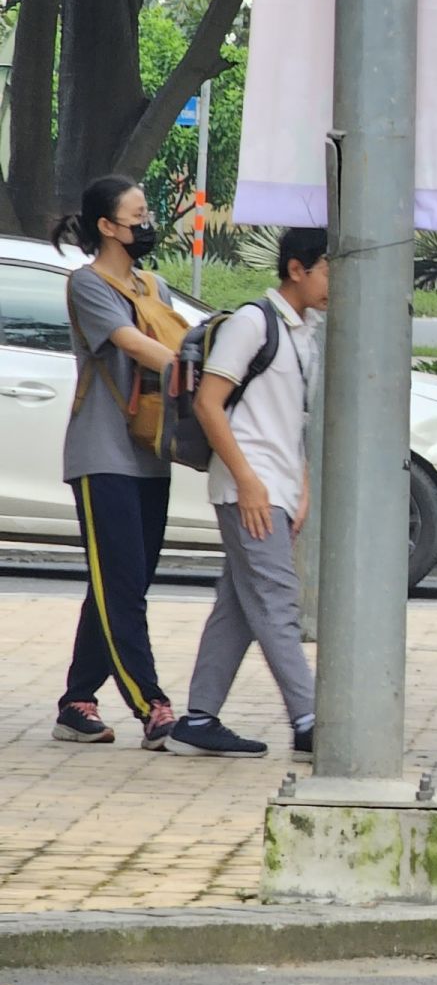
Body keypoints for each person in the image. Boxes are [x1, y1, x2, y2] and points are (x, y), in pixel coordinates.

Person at [164, 229, 329, 759]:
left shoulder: (304, 330)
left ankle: (197, 719)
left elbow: (292, 420)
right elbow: (210, 404)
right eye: (329, 271)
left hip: (274, 486)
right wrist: (252, 483)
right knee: (278, 602)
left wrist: (299, 486)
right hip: (247, 487)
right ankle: (308, 720)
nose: (336, 284)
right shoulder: (253, 322)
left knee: (237, 606)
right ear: (297, 270)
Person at [50, 175, 181, 749]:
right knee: (121, 584)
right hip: (101, 453)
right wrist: (191, 366)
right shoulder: (88, 283)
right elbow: (132, 343)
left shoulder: (155, 284)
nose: (146, 223)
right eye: (137, 215)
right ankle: (151, 705)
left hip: (149, 452)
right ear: (107, 227)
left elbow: (174, 338)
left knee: (120, 584)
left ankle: (76, 702)